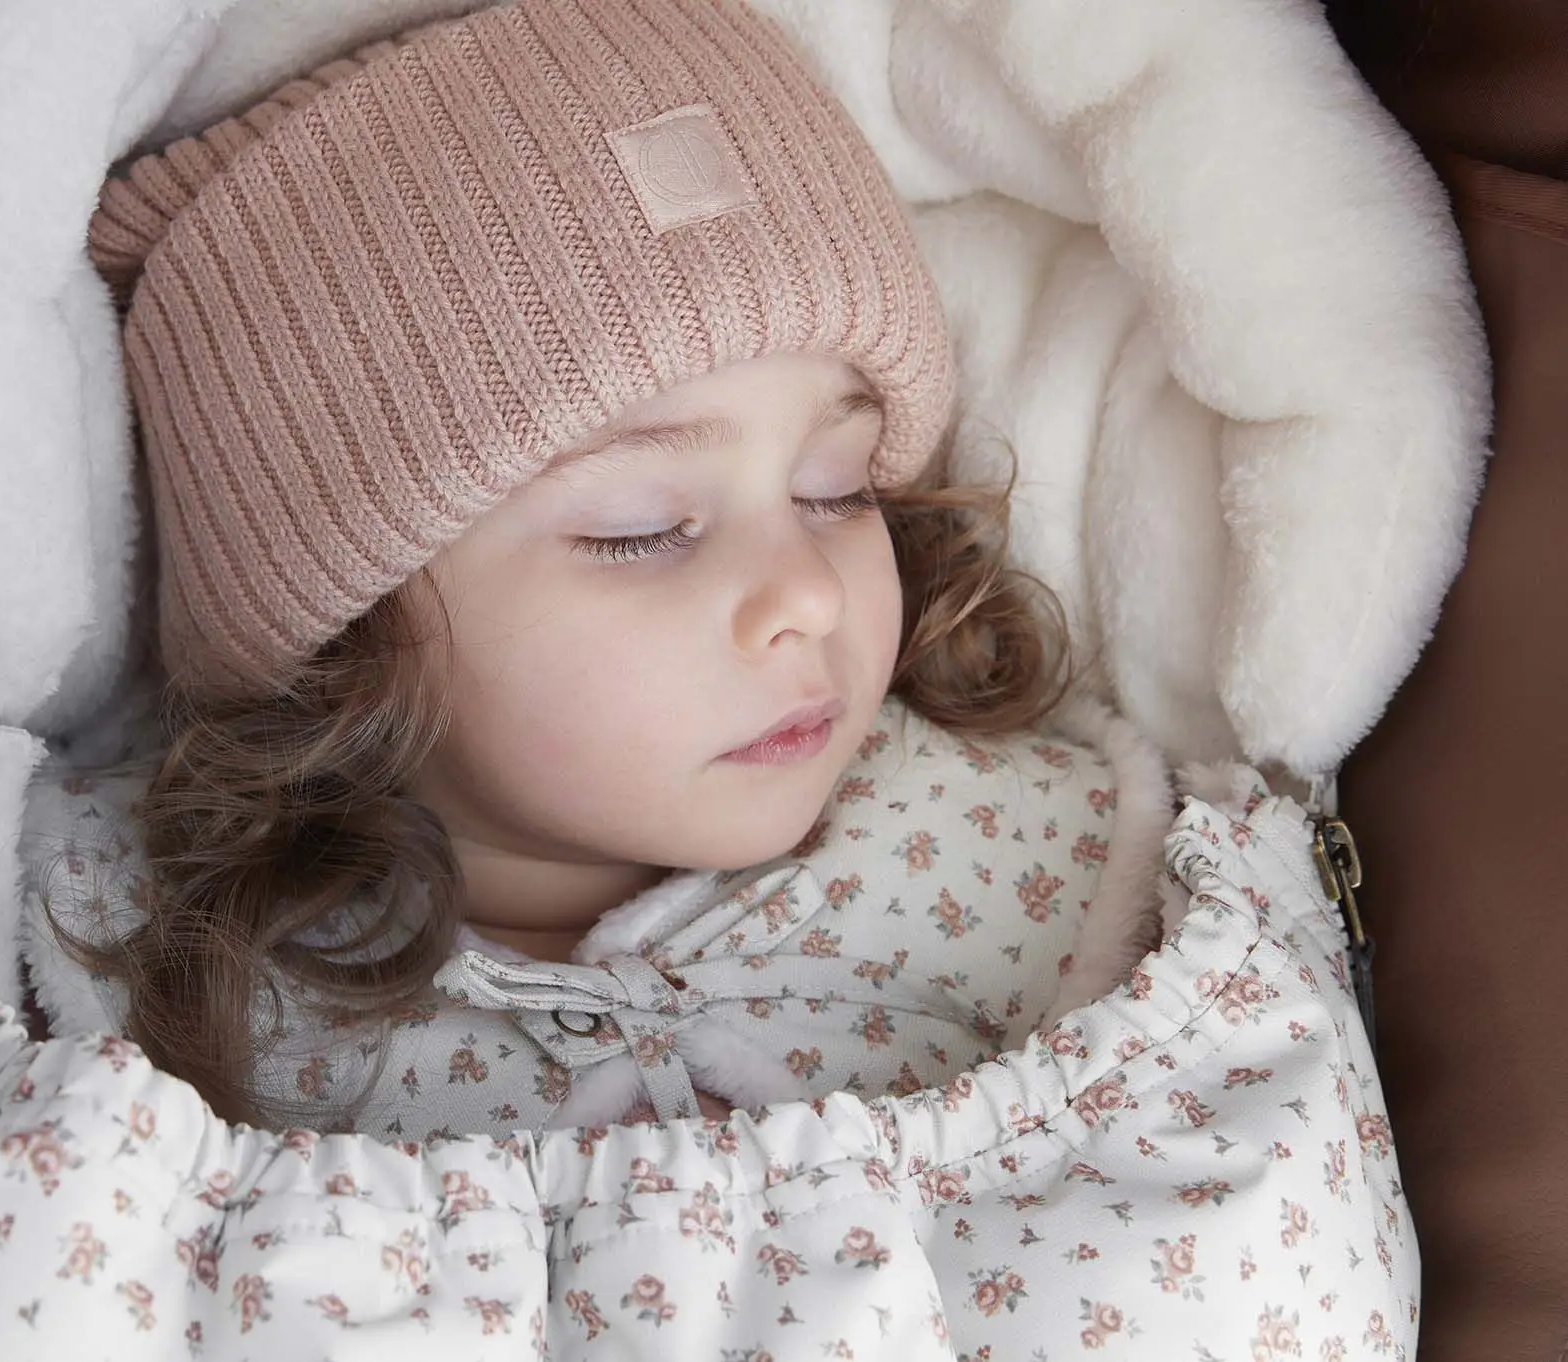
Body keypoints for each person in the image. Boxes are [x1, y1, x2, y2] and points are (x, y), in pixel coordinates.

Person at [75, 0, 1167, 1138]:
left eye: (835, 489)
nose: (809, 593)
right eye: (641, 530)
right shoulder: (138, 997)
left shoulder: (1060, 865)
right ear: (341, 618)